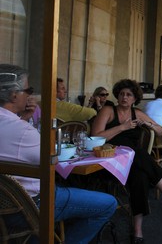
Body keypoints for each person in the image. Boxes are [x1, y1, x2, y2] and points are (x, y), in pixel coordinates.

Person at [0, 64, 117, 243]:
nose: (30, 95)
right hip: (30, 204)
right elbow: (53, 158)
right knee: (108, 204)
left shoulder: (17, 126)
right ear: (13, 95)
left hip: (6, 202)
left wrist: (24, 117)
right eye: (28, 90)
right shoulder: (23, 131)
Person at [91, 79, 162, 243]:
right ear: (117, 95)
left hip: (132, 162)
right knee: (136, 153)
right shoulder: (109, 110)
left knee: (140, 175)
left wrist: (148, 124)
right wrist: (122, 127)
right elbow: (95, 137)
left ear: (134, 98)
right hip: (109, 162)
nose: (124, 97)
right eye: (122, 94)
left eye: (128, 94)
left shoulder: (137, 113)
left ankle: (137, 229)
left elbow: (160, 131)